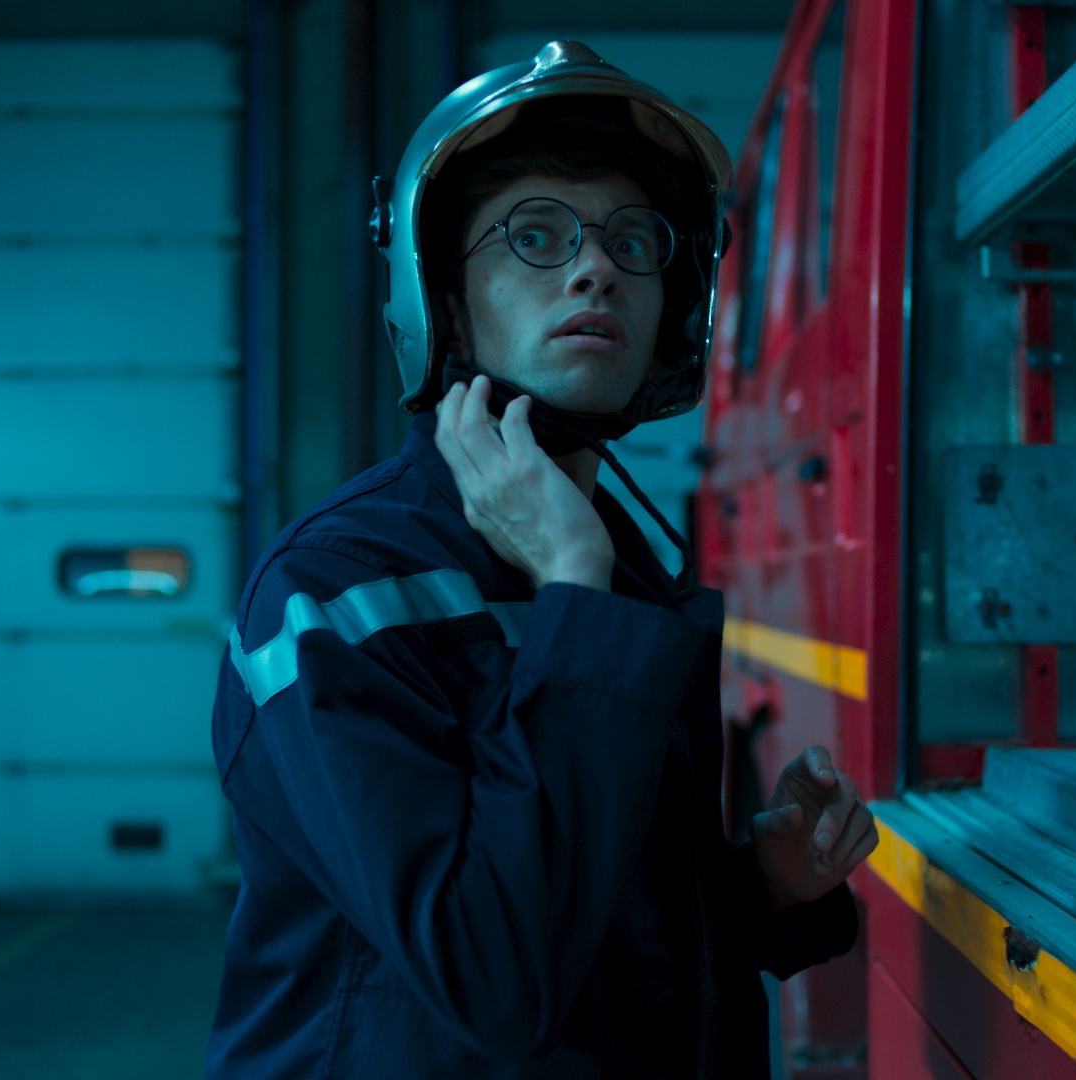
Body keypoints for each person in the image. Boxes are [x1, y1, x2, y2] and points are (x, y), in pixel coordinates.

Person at [207, 41, 878, 1080]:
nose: (595, 267)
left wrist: (766, 888)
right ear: (445, 299)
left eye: (632, 240)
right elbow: (491, 978)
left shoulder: (624, 567)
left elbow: (600, 915)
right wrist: (571, 582)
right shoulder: (335, 591)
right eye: (534, 235)